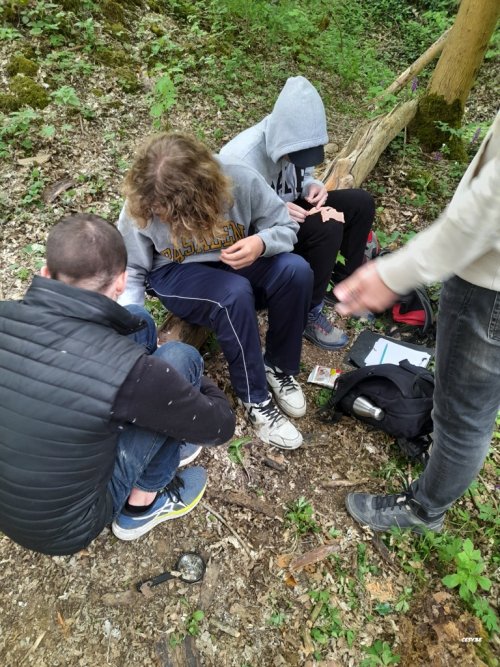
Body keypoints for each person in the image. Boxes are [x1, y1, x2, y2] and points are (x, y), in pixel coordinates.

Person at [0, 214, 236, 556]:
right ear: (121, 282)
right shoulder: (131, 373)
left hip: (13, 505)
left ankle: (158, 425)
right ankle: (140, 508)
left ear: (45, 273)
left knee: (138, 322)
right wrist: (187, 383)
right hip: (68, 525)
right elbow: (220, 427)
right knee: (180, 358)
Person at [333, 110, 500, 533]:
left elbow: (489, 205)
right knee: (472, 411)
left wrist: (394, 273)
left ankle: (423, 510)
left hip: (490, 286)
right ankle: (441, 472)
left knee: (462, 416)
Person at [117, 132, 314, 450]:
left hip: (235, 256)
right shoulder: (142, 201)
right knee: (232, 294)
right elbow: (132, 269)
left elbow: (286, 227)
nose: (163, 219)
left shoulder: (239, 178)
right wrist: (134, 326)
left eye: (174, 215)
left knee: (295, 271)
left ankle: (278, 365)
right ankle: (255, 398)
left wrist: (260, 242)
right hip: (175, 272)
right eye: (160, 214)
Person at [221, 75, 376, 350]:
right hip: (262, 233)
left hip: (292, 215)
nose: (300, 157)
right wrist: (275, 211)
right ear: (283, 138)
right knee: (329, 227)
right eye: (298, 152)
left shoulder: (297, 142)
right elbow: (233, 226)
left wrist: (312, 186)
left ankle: (347, 285)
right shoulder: (240, 159)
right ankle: (308, 312)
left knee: (360, 203)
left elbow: (303, 173)